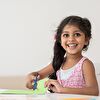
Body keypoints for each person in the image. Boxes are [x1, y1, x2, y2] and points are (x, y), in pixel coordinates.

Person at [26, 15, 99, 96]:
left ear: (86, 40)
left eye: (77, 34)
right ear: (60, 40)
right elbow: (38, 75)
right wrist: (30, 77)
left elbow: (94, 91)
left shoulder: (85, 64)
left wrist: (62, 89)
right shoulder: (59, 62)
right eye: (66, 35)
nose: (71, 39)